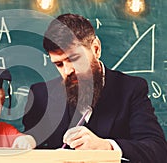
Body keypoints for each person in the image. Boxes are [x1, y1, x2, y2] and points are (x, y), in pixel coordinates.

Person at [22, 13, 167, 162]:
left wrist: (106, 146)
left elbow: (157, 150)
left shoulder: (131, 89)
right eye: (59, 64)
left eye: (74, 59)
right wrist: (24, 144)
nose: (67, 71)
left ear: (96, 49)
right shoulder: (40, 95)